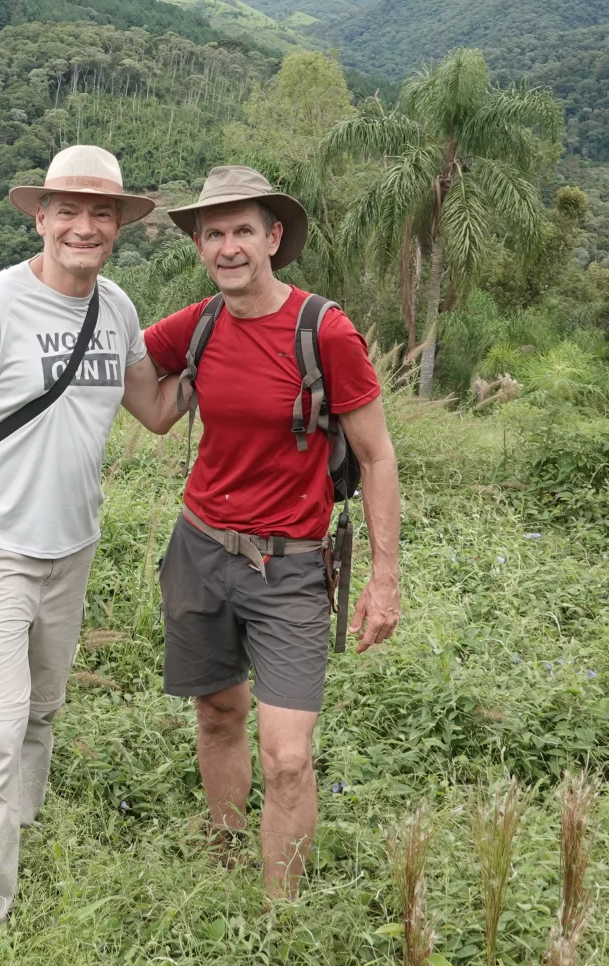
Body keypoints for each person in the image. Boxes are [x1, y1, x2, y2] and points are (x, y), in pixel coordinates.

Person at [126, 165, 402, 898]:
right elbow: (153, 407)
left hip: (290, 567)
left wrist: (384, 579)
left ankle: (280, 920)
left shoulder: (325, 331)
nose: (227, 247)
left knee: (287, 757)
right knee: (218, 713)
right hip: (199, 548)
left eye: (242, 230)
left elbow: (376, 456)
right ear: (200, 247)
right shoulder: (200, 324)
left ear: (273, 238)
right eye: (212, 233)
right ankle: (223, 858)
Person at [0, 145, 162, 935]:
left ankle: (13, 841)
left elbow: (155, 410)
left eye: (102, 214)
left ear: (120, 226)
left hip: (73, 549)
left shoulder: (118, 310)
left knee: (41, 714)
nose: (84, 227)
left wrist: (233, 334)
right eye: (68, 211)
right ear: (41, 216)